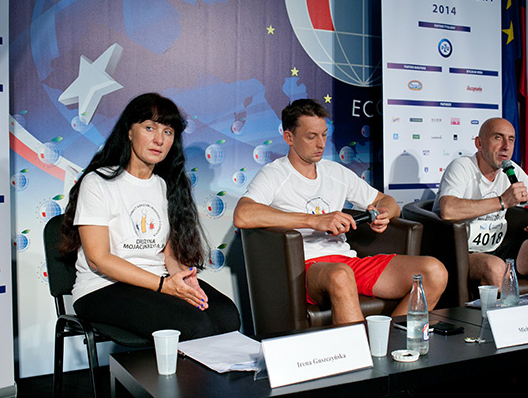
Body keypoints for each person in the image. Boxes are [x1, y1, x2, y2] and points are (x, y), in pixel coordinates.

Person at [233, 99, 447, 324]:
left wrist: (384, 212)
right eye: (311, 136)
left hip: (348, 262)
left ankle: (392, 340)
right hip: (307, 269)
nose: (321, 144)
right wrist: (314, 221)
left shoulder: (335, 172)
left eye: (324, 135)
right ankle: (359, 348)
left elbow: (387, 201)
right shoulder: (274, 174)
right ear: (289, 137)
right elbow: (243, 214)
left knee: (434, 272)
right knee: (341, 275)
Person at [59, 93, 240, 341]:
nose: (159, 140)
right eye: (149, 128)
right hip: (102, 288)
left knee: (227, 316)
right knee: (193, 325)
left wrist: (182, 279)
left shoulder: (166, 186)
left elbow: (169, 254)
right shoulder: (98, 182)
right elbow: (98, 259)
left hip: (158, 282)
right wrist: (164, 286)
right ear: (129, 132)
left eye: (168, 132)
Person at [433, 117, 528, 290]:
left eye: (511, 139)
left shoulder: (511, 169)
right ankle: (504, 308)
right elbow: (448, 209)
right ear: (479, 143)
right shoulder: (462, 166)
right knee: (496, 267)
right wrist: (502, 201)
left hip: (499, 248)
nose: (506, 146)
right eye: (498, 137)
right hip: (462, 253)